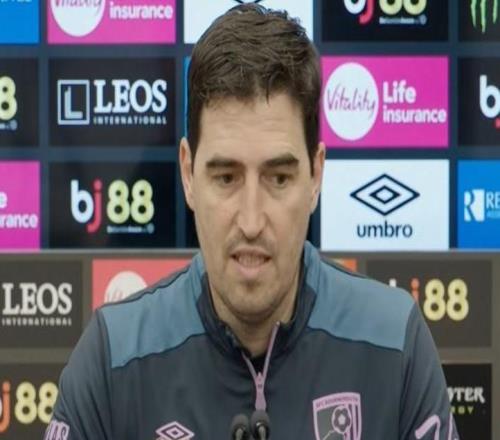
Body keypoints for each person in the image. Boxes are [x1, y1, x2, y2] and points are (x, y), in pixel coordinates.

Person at [45, 4, 458, 440]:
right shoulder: (112, 358)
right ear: (188, 174)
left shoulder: (395, 343)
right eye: (226, 178)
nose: (251, 221)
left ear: (316, 175)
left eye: (278, 178)